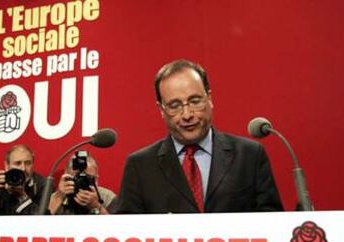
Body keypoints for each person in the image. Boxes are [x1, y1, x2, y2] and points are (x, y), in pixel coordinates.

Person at [117, 59, 283, 213]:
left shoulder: (249, 156)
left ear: (209, 99)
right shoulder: (139, 166)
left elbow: (271, 224)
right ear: (161, 110)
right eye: (174, 106)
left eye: (195, 101)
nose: (187, 114)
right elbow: (128, 235)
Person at [48, 151, 116, 215]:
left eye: (88, 178)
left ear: (96, 178)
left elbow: (117, 225)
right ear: (67, 175)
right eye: (78, 177)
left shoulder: (107, 197)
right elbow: (42, 223)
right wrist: (59, 196)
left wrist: (96, 206)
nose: (82, 182)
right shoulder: (53, 198)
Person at [0, 144, 46, 215]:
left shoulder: (43, 185)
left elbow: (43, 220)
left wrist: (22, 196)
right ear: (7, 166)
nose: (23, 168)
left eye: (28, 163)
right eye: (18, 163)